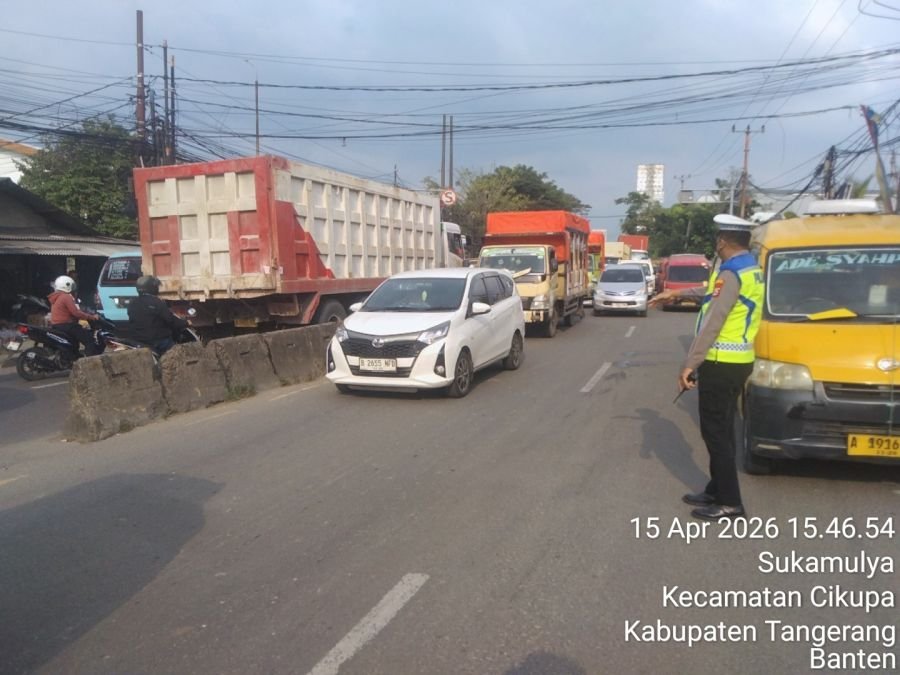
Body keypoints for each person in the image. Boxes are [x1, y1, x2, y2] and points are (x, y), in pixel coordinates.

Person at [649, 214, 764, 521]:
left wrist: (689, 365)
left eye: (717, 238)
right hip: (737, 361)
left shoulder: (731, 273)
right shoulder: (748, 269)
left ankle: (730, 502)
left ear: (723, 241)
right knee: (723, 429)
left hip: (720, 361)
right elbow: (711, 293)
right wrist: (675, 292)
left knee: (716, 434)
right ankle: (716, 488)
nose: (716, 243)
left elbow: (713, 323)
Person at [127, 275, 188, 356]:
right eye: (156, 286)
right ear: (152, 288)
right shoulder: (157, 302)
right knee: (178, 355)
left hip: (137, 340)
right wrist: (185, 323)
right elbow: (170, 320)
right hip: (157, 341)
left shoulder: (132, 303)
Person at [48, 275, 101, 356]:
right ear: (66, 285)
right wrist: (91, 317)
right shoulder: (65, 297)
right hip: (67, 325)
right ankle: (89, 362)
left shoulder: (56, 297)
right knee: (89, 339)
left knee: (75, 341)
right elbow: (76, 312)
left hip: (57, 325)